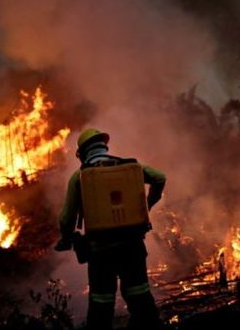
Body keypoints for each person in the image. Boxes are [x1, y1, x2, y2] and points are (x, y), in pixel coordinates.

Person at [55, 128, 166, 329]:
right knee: (140, 298)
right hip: (133, 248)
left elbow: (66, 218)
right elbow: (159, 178)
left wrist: (66, 238)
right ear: (104, 146)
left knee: (101, 304)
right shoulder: (130, 167)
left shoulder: (79, 177)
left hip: (100, 253)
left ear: (82, 153)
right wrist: (147, 206)